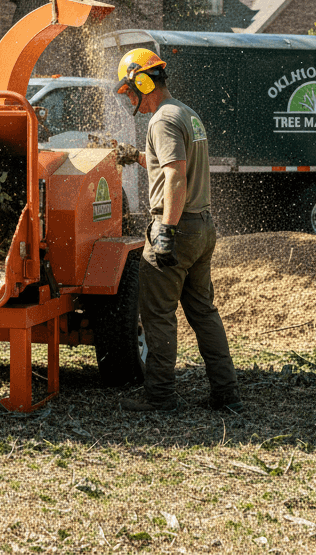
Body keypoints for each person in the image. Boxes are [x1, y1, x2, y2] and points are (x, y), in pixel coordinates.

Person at [114, 48, 243, 414]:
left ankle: (159, 396)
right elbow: (169, 163)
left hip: (176, 226)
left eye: (131, 92)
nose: (132, 101)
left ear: (143, 82)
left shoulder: (162, 120)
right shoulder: (187, 114)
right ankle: (226, 392)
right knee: (203, 312)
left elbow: (174, 176)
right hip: (202, 226)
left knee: (157, 314)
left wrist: (165, 231)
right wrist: (136, 157)